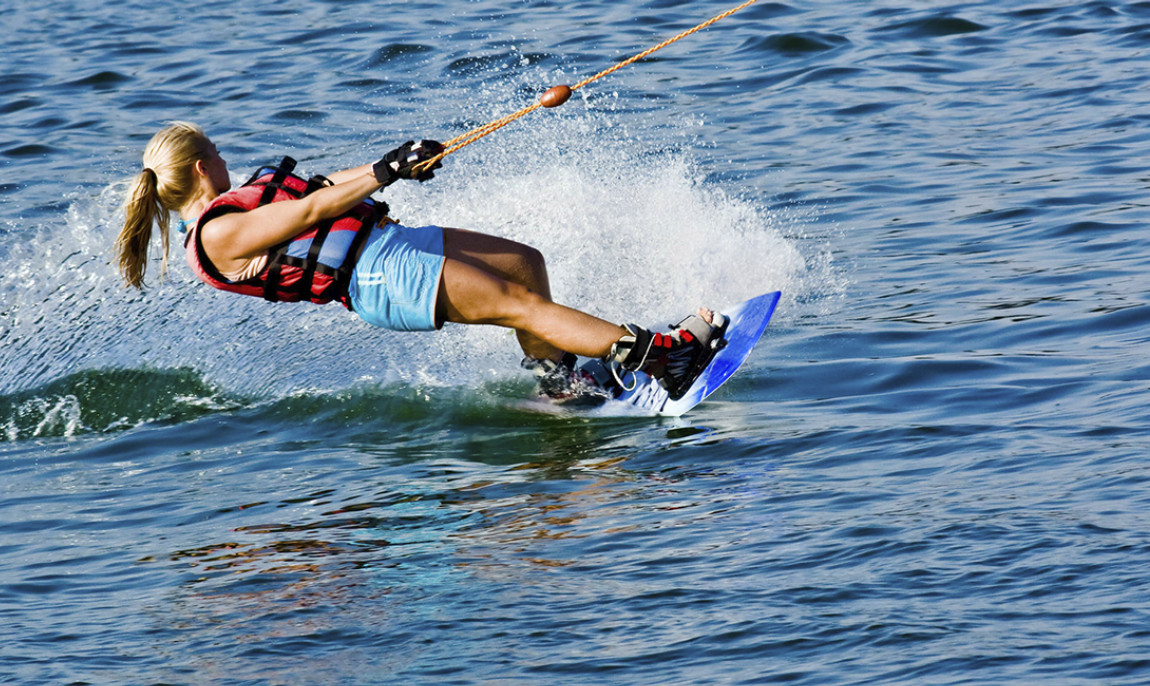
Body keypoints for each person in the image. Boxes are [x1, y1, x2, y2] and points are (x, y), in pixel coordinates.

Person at [115, 121, 719, 400]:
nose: (223, 158)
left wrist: (397, 162)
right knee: (524, 308)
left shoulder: (233, 207)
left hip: (391, 246)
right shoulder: (217, 234)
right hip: (379, 277)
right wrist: (385, 172)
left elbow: (320, 190)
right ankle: (668, 357)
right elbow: (304, 217)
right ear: (201, 168)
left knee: (524, 266)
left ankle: (563, 384)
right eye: (215, 152)